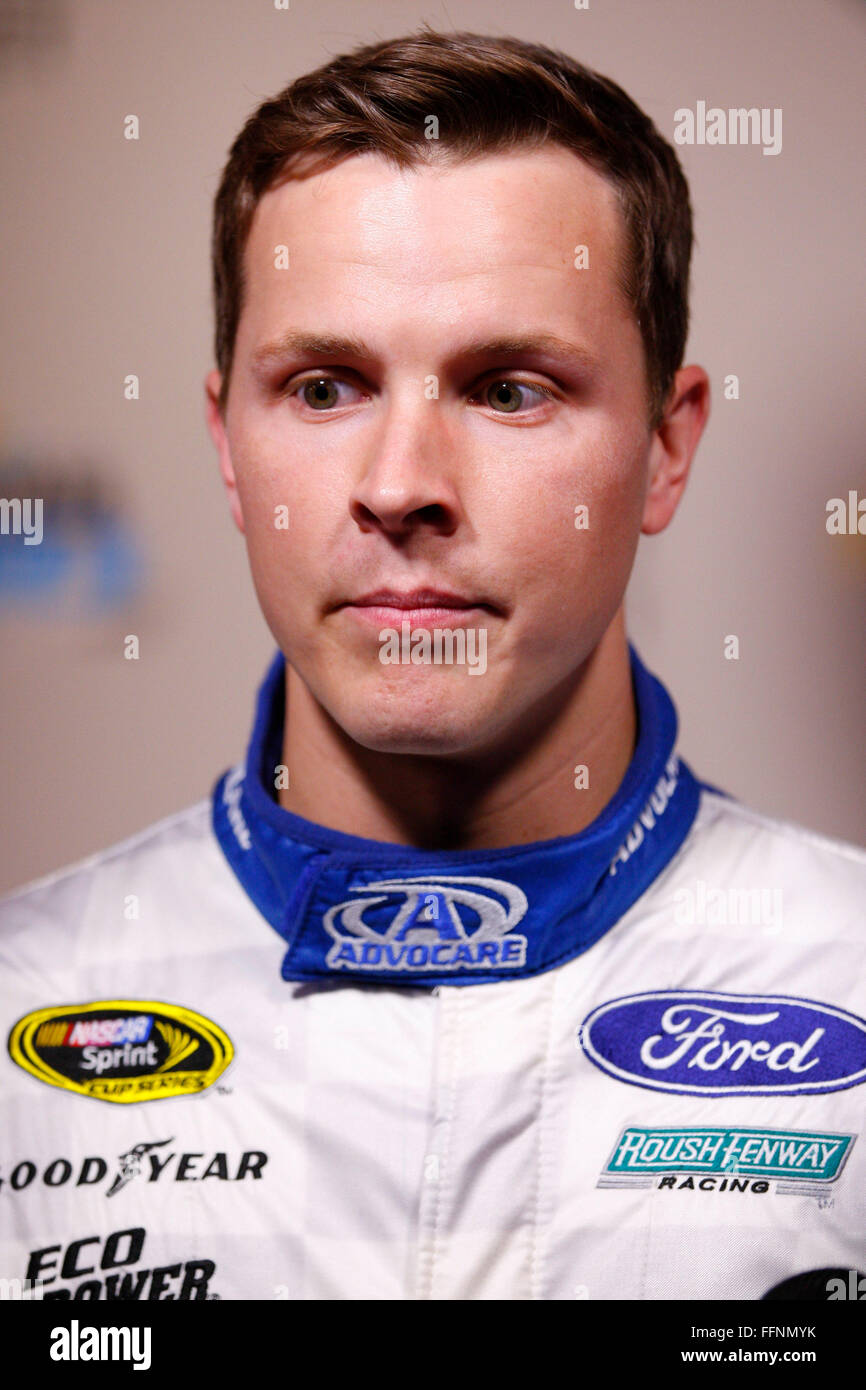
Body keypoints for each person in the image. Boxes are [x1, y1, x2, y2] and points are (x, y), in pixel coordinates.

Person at [2, 28, 864, 1304]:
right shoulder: (26, 998)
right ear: (228, 446)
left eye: (508, 389)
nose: (400, 486)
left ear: (665, 450)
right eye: (323, 386)